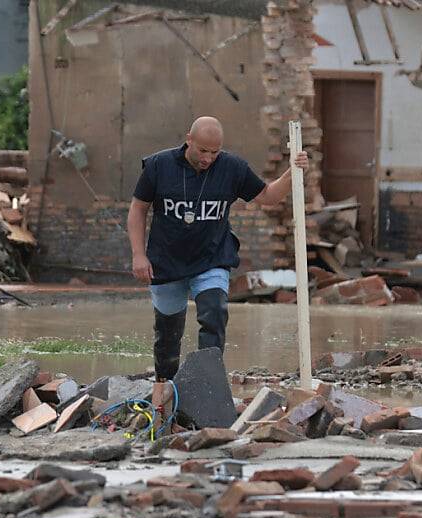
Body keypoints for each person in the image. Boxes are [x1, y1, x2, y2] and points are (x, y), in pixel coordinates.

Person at [127, 116, 309, 382]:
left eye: (214, 152)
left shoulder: (232, 168)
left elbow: (268, 197)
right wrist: (138, 255)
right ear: (189, 140)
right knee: (167, 334)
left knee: (214, 313)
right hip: (166, 260)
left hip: (210, 258)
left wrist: (292, 172)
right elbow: (138, 208)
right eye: (202, 151)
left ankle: (207, 382)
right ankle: (164, 388)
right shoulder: (158, 165)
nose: (208, 159)